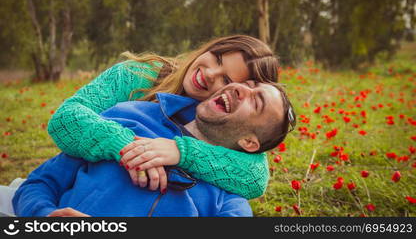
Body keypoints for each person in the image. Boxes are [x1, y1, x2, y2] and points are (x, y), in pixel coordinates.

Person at [47, 35, 280, 199]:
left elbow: (256, 176)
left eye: (226, 81)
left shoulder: (215, 121)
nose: (209, 74)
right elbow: (66, 119)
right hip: (73, 183)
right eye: (217, 58)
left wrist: (181, 151)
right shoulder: (135, 75)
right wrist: (129, 147)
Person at [13, 82, 295, 217]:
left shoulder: (230, 196)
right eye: (248, 85)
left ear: (249, 143)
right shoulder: (128, 117)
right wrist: (44, 217)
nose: (241, 90)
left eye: (255, 102)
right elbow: (40, 182)